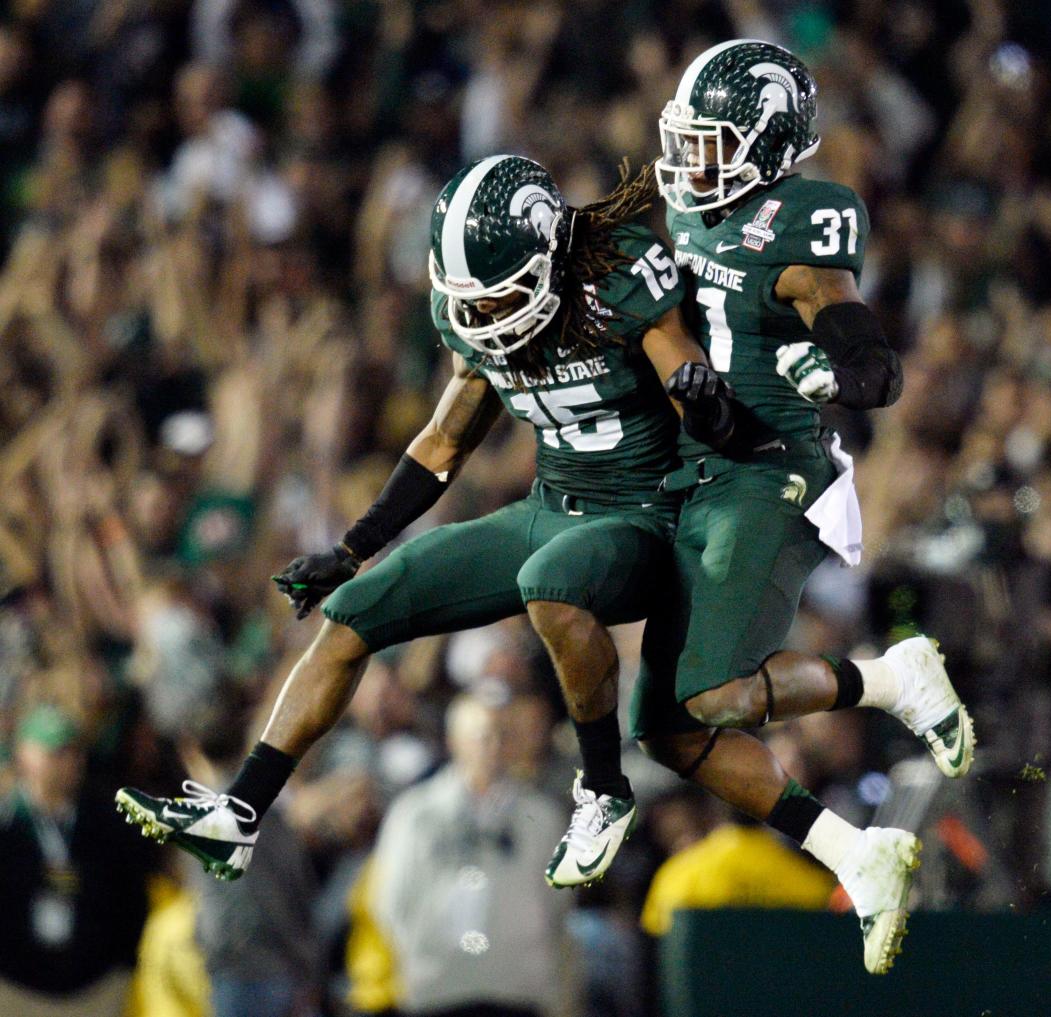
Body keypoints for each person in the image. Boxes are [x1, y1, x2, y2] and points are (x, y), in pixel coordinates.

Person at [116, 155, 734, 889]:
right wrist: (352, 549)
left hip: (642, 518)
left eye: (497, 297)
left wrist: (702, 397)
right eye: (468, 301)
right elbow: (442, 443)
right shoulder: (475, 315)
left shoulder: (620, 281)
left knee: (549, 580)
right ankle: (239, 814)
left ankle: (603, 789)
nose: (479, 318)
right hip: (551, 508)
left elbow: (700, 402)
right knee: (351, 612)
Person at [631, 39, 977, 975]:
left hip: (770, 471)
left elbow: (872, 363)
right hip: (697, 467)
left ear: (769, 142)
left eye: (711, 143)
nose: (691, 161)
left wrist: (829, 365)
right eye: (687, 141)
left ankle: (890, 680)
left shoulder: (807, 218)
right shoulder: (684, 211)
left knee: (708, 692)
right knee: (667, 730)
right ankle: (851, 849)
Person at [364, 690, 572, 1017]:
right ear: (453, 740)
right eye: (482, 735)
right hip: (437, 988)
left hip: (517, 989)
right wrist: (425, 950)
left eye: (503, 735)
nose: (493, 746)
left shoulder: (542, 816)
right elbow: (391, 898)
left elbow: (558, 903)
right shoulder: (415, 813)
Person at [0, 705, 153, 1017]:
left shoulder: (107, 821)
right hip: (17, 990)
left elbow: (132, 896)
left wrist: (123, 966)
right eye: (55, 753)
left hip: (95, 990)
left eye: (74, 752)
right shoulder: (8, 825)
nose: (69, 763)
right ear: (25, 755)